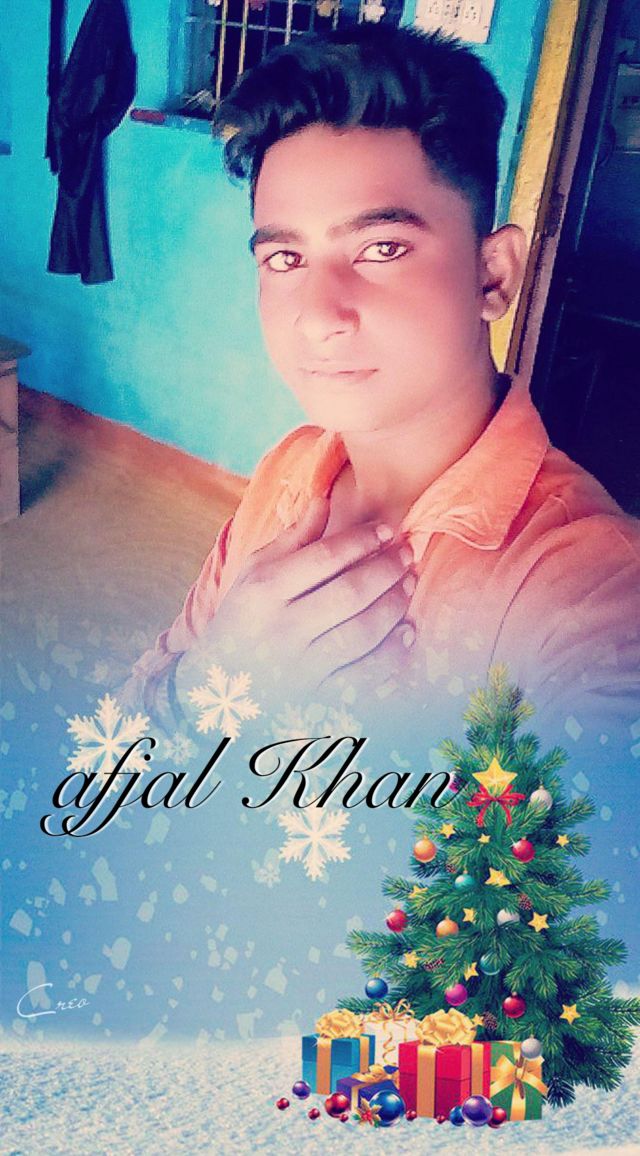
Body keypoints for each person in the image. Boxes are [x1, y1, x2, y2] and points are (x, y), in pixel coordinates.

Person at [120, 25, 640, 752]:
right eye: (285, 258)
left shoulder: (590, 592)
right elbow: (120, 752)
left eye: (381, 248)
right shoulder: (290, 469)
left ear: (493, 276)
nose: (318, 317)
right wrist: (209, 689)